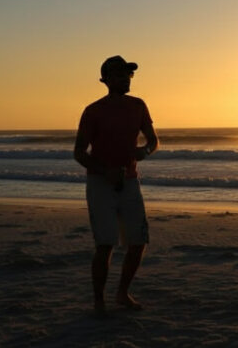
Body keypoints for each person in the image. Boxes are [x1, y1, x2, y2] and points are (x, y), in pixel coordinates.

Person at [73, 55, 159, 316]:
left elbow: (154, 141)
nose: (126, 78)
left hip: (130, 182)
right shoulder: (93, 111)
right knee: (106, 243)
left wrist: (145, 150)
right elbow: (79, 152)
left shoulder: (138, 105)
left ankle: (122, 292)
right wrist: (104, 171)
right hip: (101, 184)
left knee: (138, 241)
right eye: (120, 74)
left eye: (128, 74)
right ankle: (99, 300)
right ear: (106, 80)